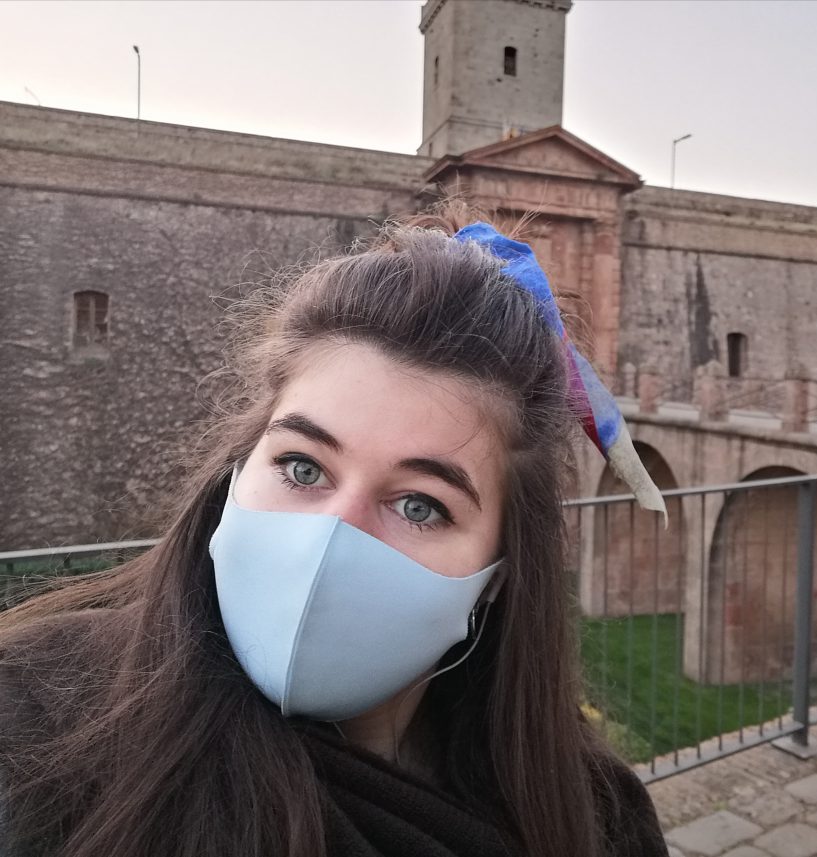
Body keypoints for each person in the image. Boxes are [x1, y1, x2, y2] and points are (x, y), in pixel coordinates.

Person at [0, 206, 670, 857]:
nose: (329, 536)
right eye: (302, 465)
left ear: (496, 577)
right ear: (238, 470)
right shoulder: (33, 714)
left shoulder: (600, 816)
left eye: (419, 506)